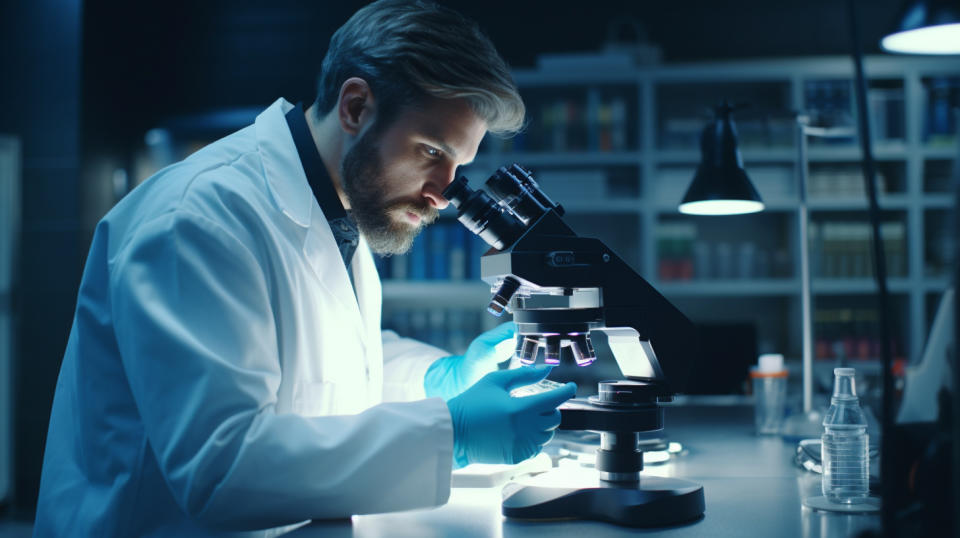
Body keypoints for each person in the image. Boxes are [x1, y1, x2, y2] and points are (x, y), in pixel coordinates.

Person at [32, 1, 576, 535]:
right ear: (356, 107)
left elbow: (317, 367)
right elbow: (220, 469)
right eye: (432, 151)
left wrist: (440, 379)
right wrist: (450, 433)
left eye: (458, 165)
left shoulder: (338, 214)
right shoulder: (198, 217)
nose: (444, 194)